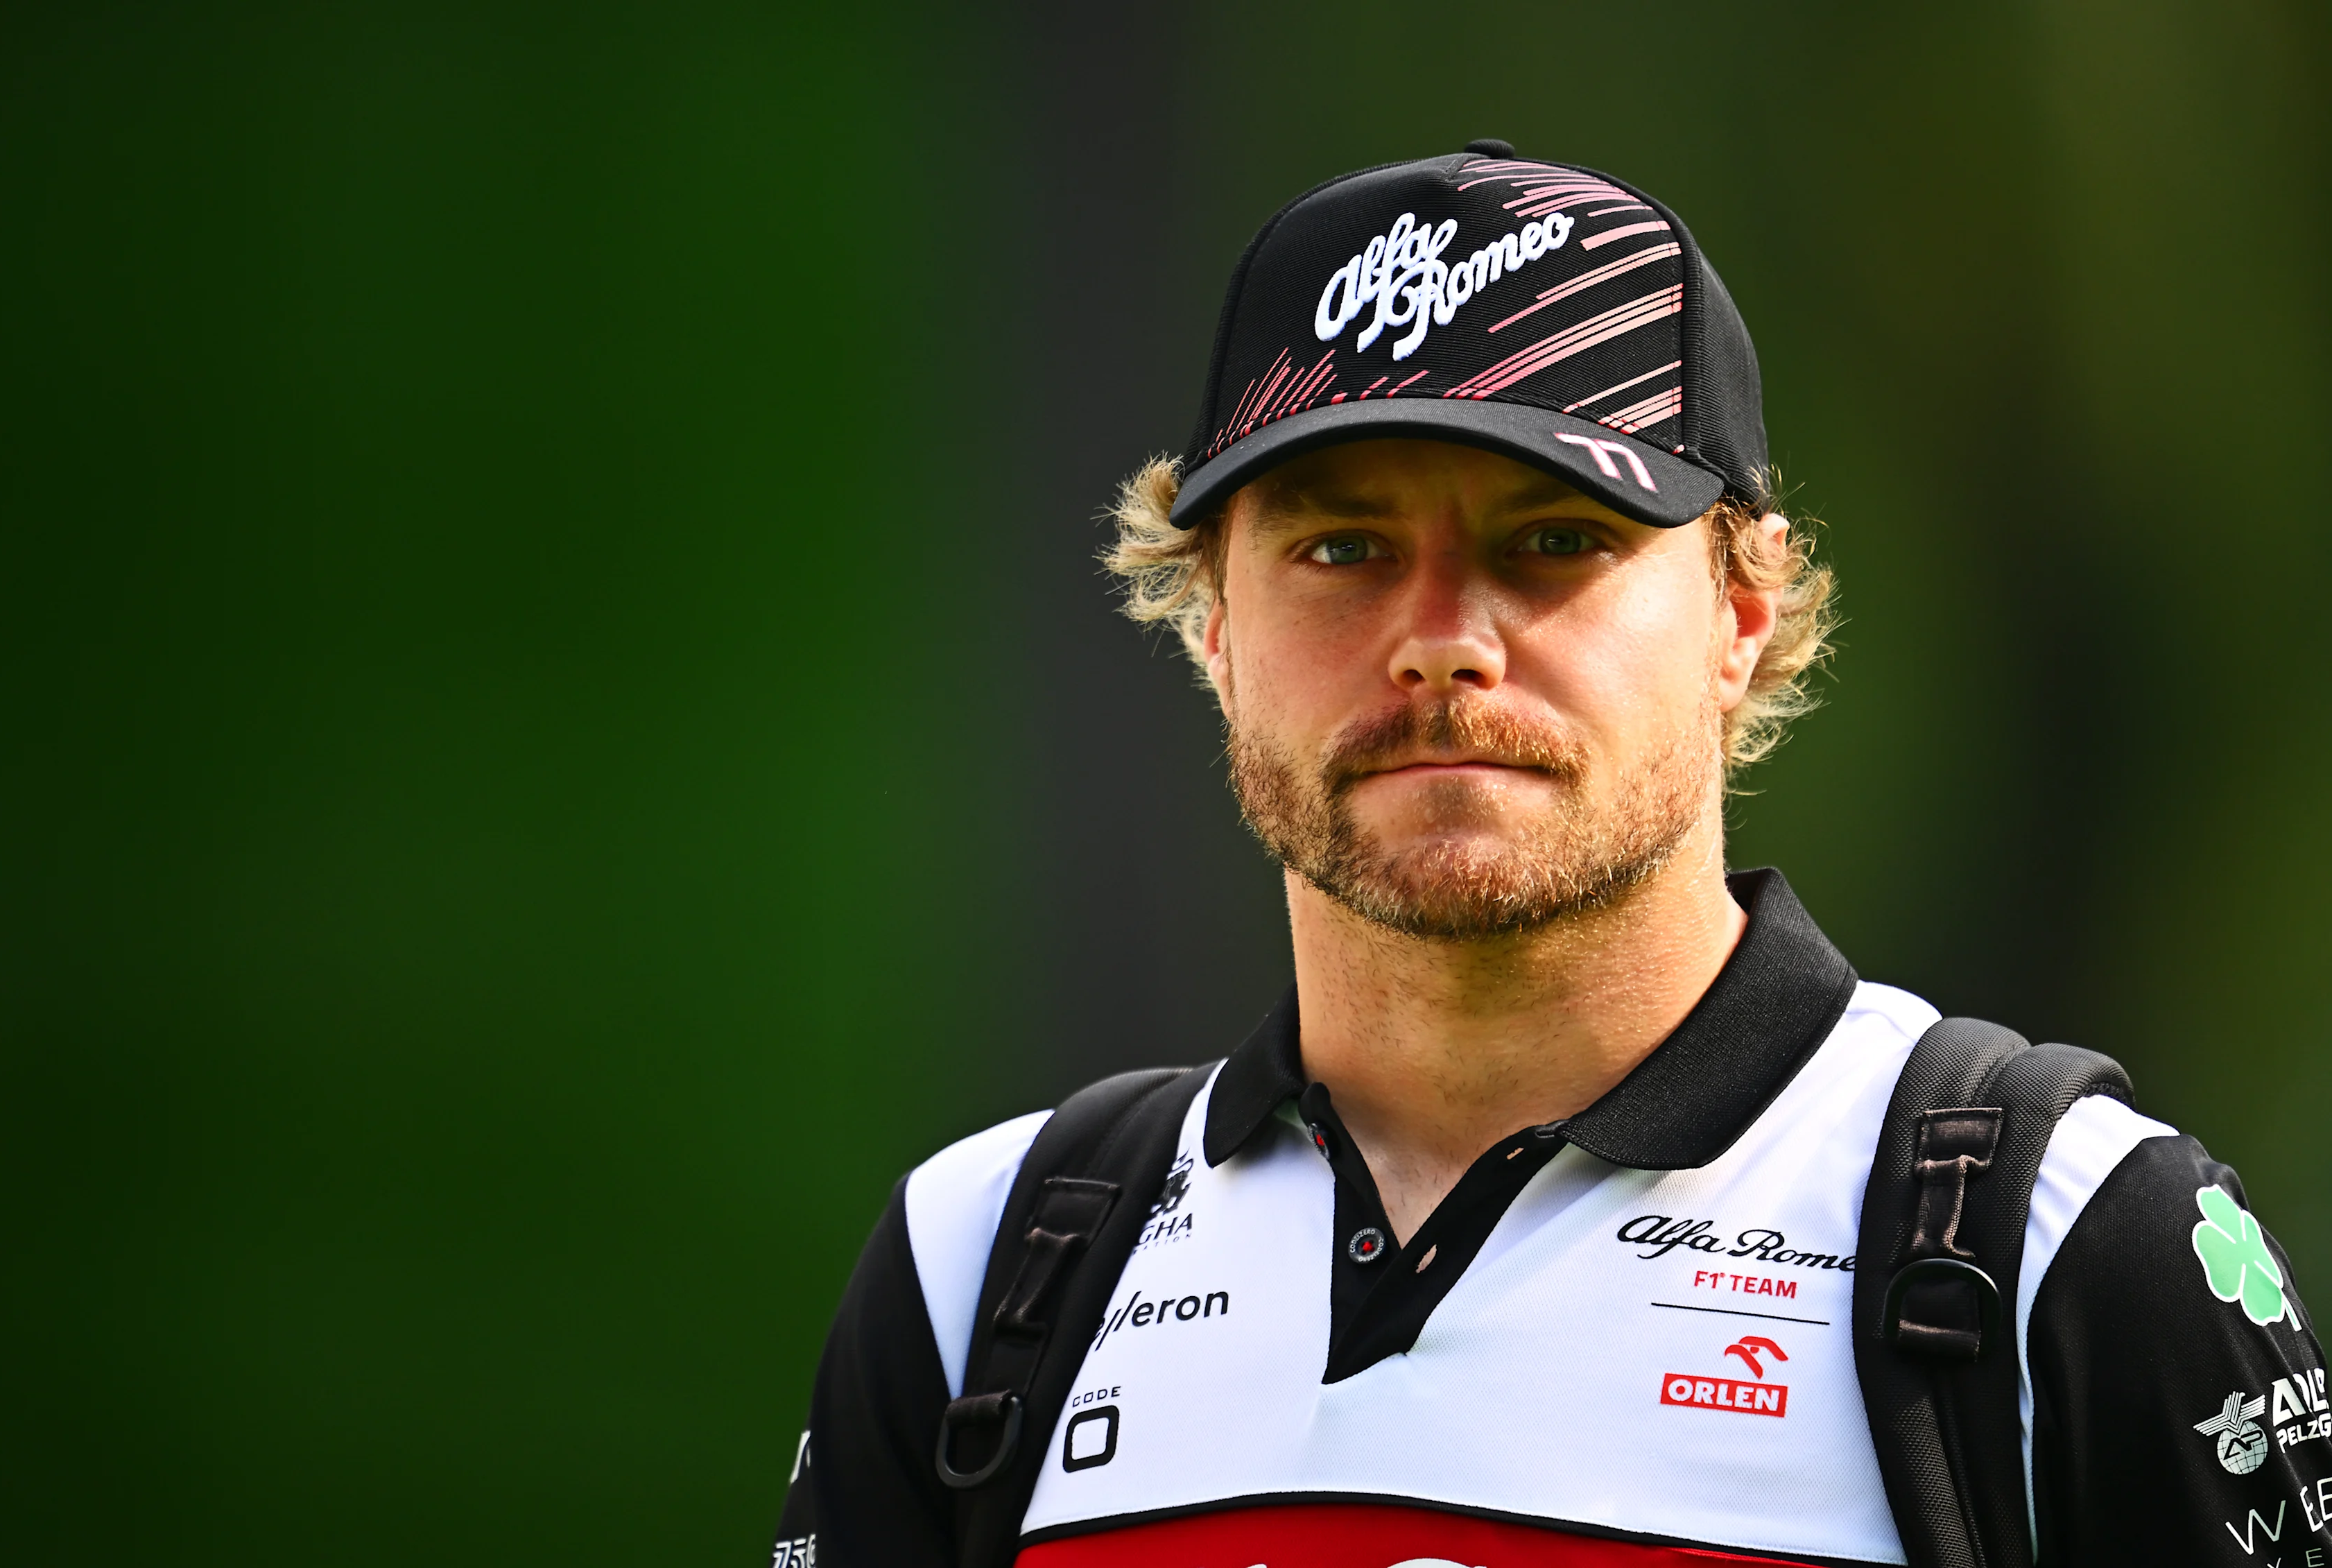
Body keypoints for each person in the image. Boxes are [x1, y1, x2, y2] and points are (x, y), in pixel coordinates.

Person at [773, 143, 2328, 1568]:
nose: (1442, 641)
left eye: (1553, 539)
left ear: (1741, 612)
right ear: (1216, 629)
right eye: (1340, 546)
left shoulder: (2068, 1236)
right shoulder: (980, 1262)